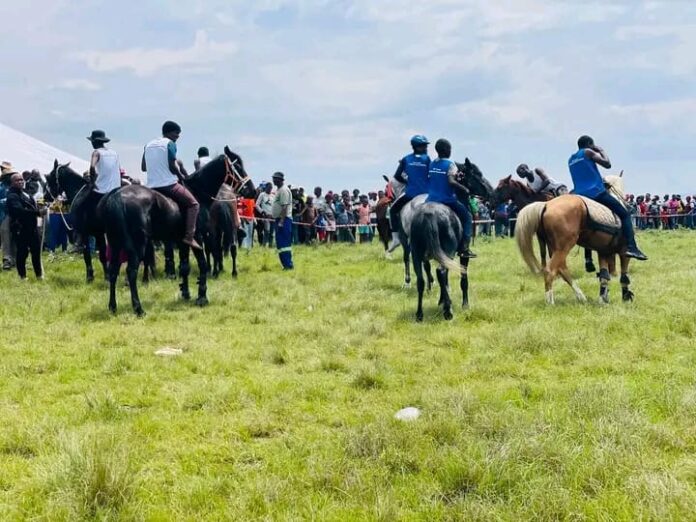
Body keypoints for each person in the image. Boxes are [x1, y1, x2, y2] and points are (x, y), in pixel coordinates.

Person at [568, 135, 647, 260]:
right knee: (625, 214)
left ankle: (588, 258)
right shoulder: (588, 152)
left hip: (579, 194)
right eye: (592, 144)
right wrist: (601, 150)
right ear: (589, 144)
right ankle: (632, 247)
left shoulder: (571, 159)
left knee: (586, 225)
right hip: (596, 192)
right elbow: (607, 164)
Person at [142, 121, 202, 250]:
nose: (178, 136)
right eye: (176, 133)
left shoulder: (148, 145)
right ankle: (189, 237)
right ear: (169, 132)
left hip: (151, 186)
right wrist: (182, 177)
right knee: (194, 204)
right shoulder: (170, 144)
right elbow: (172, 166)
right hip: (168, 184)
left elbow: (143, 167)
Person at [426, 139, 476, 257]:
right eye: (450, 149)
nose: (450, 151)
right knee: (467, 217)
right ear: (446, 150)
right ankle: (464, 248)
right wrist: (464, 189)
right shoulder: (450, 164)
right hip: (446, 199)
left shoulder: (432, 164)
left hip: (430, 199)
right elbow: (451, 181)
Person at [74, 130, 122, 238]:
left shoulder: (96, 152)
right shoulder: (114, 153)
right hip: (116, 189)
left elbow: (92, 167)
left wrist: (92, 181)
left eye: (92, 141)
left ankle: (82, 231)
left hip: (102, 190)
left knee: (81, 204)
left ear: (95, 141)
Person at [6, 173, 46, 279]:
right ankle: (22, 276)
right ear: (12, 182)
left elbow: (33, 206)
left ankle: (39, 275)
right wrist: (37, 212)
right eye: (17, 180)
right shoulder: (12, 196)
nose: (20, 182)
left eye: (21, 180)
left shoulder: (26, 193)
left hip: (32, 227)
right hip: (20, 228)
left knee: (36, 251)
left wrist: (40, 214)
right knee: (22, 253)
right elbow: (19, 211)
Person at [389, 135, 431, 233]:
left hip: (410, 193)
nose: (426, 148)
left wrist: (407, 181)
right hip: (427, 193)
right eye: (423, 146)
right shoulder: (427, 159)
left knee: (393, 210)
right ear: (416, 147)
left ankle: (396, 237)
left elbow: (397, 176)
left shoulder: (406, 159)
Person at [271, 172, 293, 269]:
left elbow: (284, 207)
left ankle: (288, 265)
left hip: (284, 220)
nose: (273, 180)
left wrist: (281, 221)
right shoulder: (278, 190)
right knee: (280, 243)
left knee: (284, 243)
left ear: (280, 180)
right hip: (279, 219)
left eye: (275, 178)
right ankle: (285, 265)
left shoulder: (284, 190)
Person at [0, 162, 17, 269]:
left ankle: (14, 259)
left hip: (16, 215)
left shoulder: (15, 187)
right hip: (4, 215)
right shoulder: (1, 187)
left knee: (15, 237)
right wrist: (7, 201)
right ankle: (7, 259)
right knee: (5, 235)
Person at [256, 182, 274, 246]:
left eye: (271, 188)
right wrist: (262, 211)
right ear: (266, 187)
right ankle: (264, 245)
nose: (270, 189)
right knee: (267, 230)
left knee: (271, 233)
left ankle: (270, 246)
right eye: (269, 187)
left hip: (272, 216)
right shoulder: (262, 195)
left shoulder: (273, 196)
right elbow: (257, 205)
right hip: (265, 216)